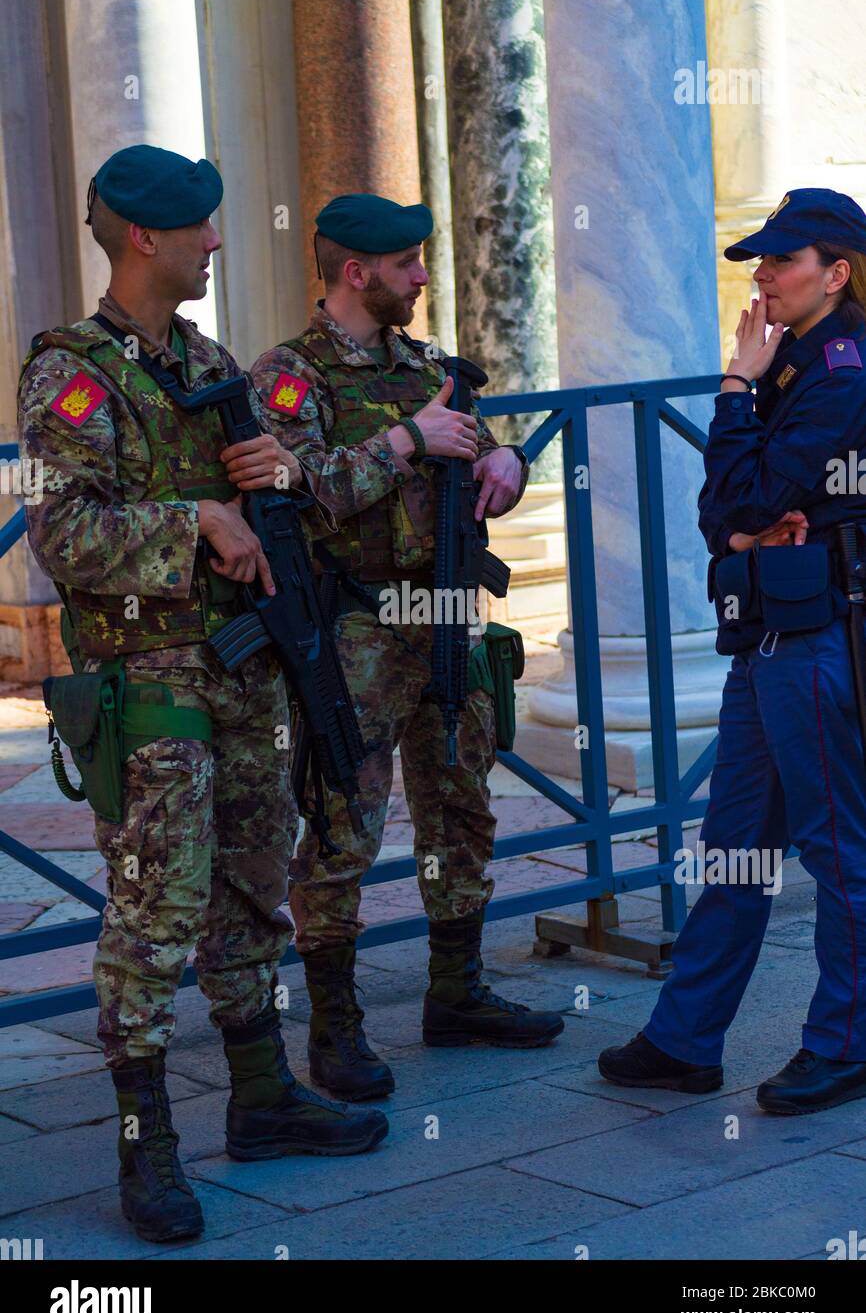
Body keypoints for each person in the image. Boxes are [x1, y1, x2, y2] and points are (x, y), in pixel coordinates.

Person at [17, 146, 387, 1245]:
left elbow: (274, 506)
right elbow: (60, 532)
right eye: (203, 229)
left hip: (240, 674)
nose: (219, 243)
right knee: (155, 910)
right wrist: (196, 525)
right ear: (146, 237)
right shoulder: (69, 373)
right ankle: (149, 1147)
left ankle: (263, 1094)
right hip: (149, 688)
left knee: (249, 888)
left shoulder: (209, 360)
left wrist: (270, 482)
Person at [238, 193, 564, 1100]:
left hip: (449, 619)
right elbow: (299, 490)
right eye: (409, 264)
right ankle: (335, 1029)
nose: (424, 277)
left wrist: (508, 464)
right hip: (359, 635)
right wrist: (405, 441)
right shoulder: (288, 378)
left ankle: (456, 993)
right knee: (345, 823)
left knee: (461, 804)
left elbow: (481, 449)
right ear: (357, 272)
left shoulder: (427, 364)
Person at [598, 187, 866, 1115]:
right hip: (770, 634)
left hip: (820, 634)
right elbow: (727, 518)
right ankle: (684, 1039)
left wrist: (733, 390)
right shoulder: (794, 361)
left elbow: (746, 504)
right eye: (761, 258)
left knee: (839, 849)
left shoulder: (839, 368)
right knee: (736, 847)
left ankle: (844, 1043)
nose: (762, 275)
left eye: (783, 261)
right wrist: (747, 515)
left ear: (835, 273)